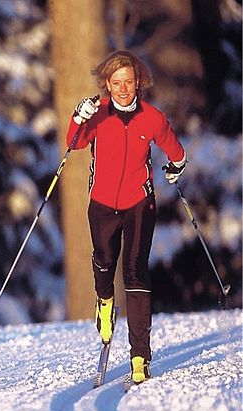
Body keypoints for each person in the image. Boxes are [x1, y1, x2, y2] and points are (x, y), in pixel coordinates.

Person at [67, 50, 186, 384]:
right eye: (116, 82)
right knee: (104, 262)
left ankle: (139, 356)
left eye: (129, 82)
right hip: (102, 204)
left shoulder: (151, 117)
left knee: (135, 274)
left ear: (139, 83)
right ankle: (105, 303)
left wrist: (176, 166)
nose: (123, 88)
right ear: (107, 84)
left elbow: (175, 150)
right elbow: (73, 143)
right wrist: (79, 117)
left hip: (139, 202)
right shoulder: (98, 115)